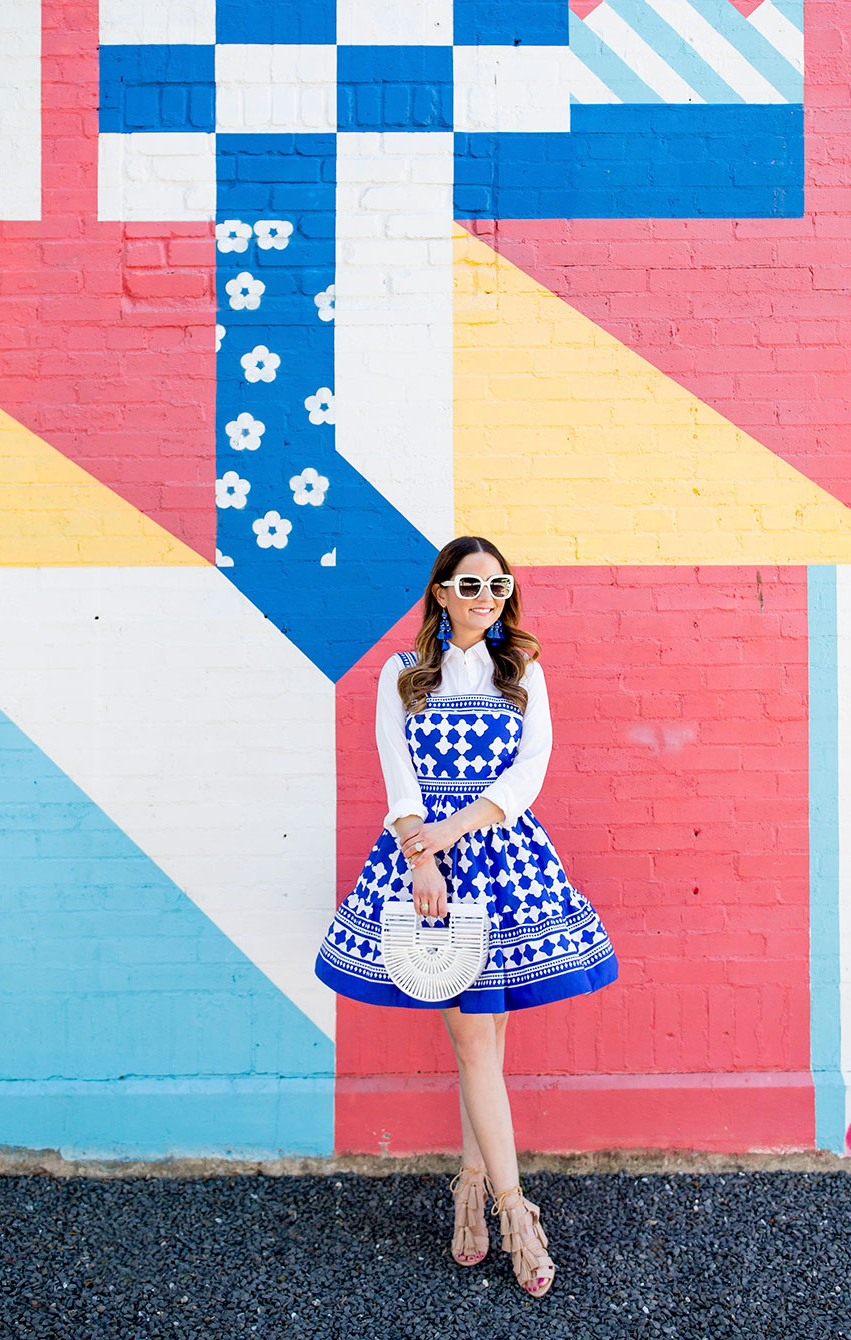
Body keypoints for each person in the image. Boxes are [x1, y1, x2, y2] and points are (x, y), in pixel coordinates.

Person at [315, 536, 618, 1297]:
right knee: (474, 1038)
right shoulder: (403, 675)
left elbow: (530, 769)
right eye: (471, 584)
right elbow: (398, 773)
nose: (487, 596)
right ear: (441, 592)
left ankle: (471, 1192)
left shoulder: (522, 671)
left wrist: (456, 830)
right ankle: (519, 1216)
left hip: (504, 860)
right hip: (431, 872)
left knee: (486, 1041)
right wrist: (423, 858)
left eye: (499, 584)